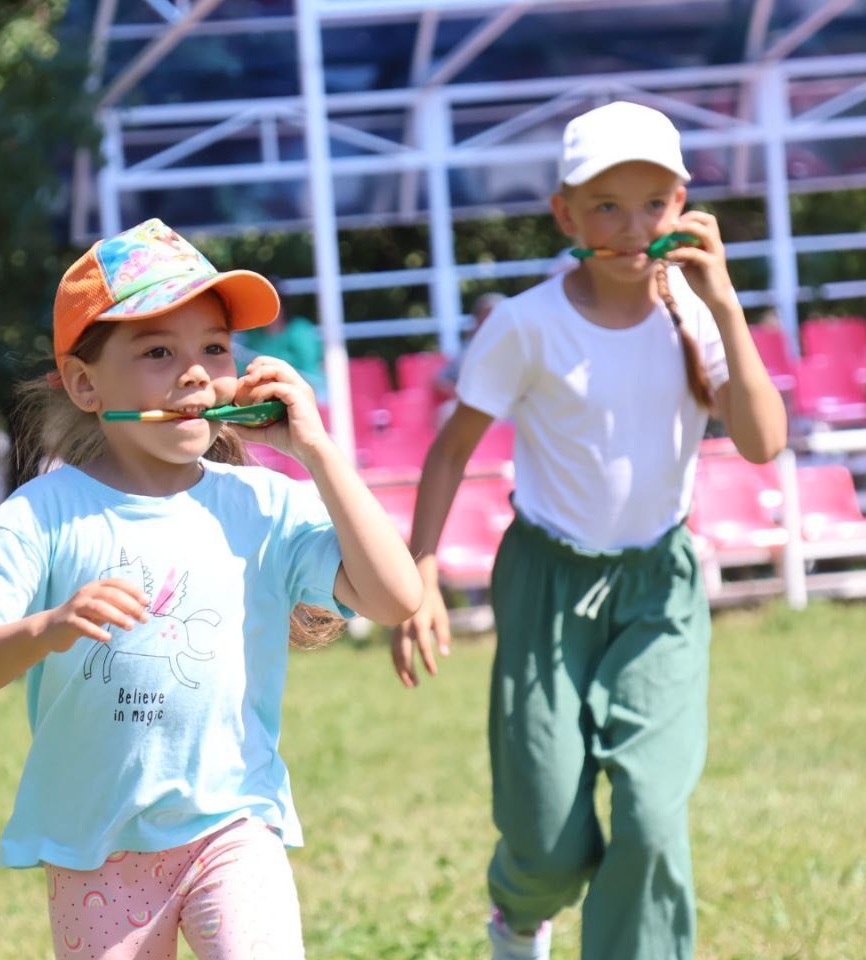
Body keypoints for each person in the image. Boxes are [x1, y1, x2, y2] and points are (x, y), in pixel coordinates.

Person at [0, 218, 422, 959]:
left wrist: (315, 449)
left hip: (233, 826)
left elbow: (395, 596)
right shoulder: (42, 513)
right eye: (158, 352)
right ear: (86, 384)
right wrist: (49, 627)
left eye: (213, 348)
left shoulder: (263, 502)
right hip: (98, 851)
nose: (195, 373)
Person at [391, 101, 786, 960]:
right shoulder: (525, 324)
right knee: (545, 834)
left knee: (650, 812)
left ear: (683, 205)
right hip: (545, 583)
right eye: (606, 205)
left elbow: (763, 442)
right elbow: (453, 449)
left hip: (659, 591)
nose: (632, 227)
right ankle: (518, 914)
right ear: (566, 214)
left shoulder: (692, 314)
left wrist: (724, 306)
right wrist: (419, 569)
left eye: (653, 203)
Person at [235, 285, 326, 398]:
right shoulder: (253, 334)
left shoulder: (299, 330)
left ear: (281, 305)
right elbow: (240, 370)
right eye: (260, 304)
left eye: (269, 303)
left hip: (306, 392)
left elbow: (310, 372)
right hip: (263, 394)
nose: (264, 308)